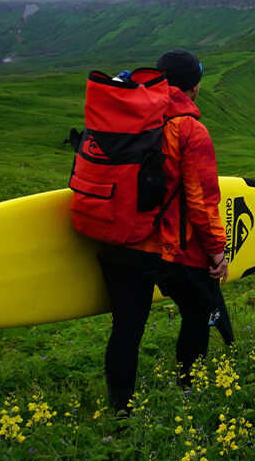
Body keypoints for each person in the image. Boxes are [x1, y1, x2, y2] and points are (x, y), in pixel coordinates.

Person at [97, 49, 228, 414]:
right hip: (164, 246)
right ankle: (190, 393)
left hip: (116, 237)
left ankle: (119, 412)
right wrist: (217, 251)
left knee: (126, 329)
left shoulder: (125, 114)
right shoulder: (188, 127)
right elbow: (202, 199)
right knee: (199, 309)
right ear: (195, 86)